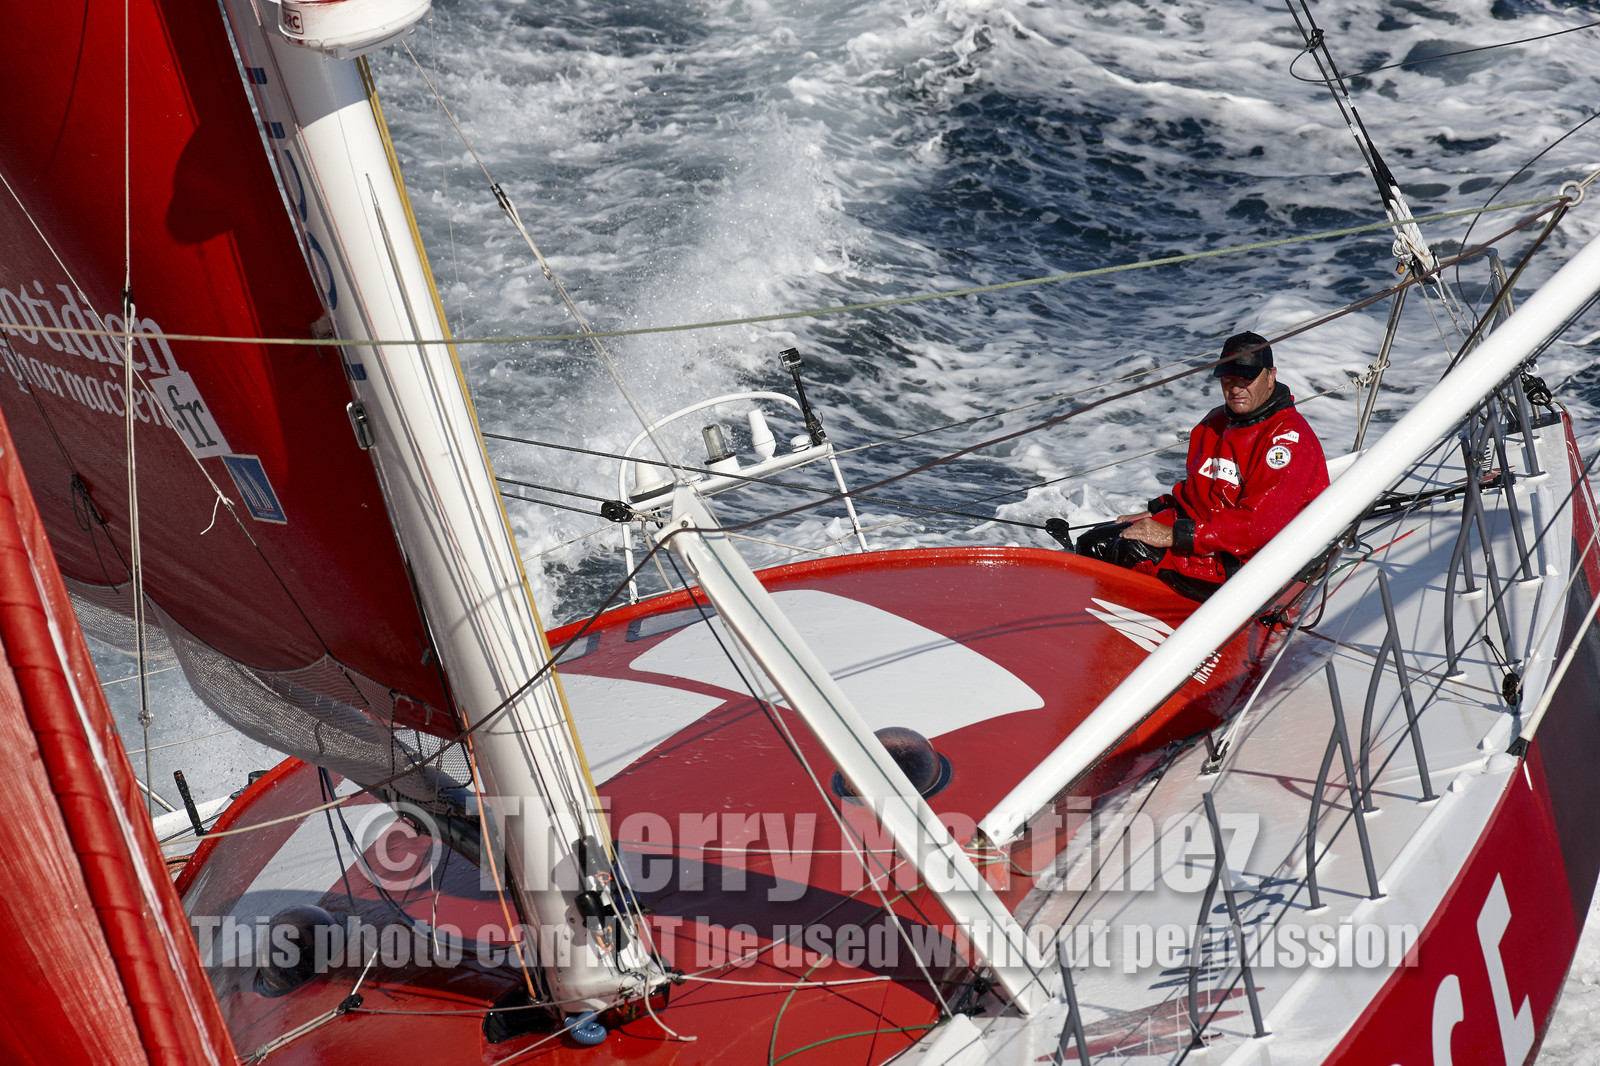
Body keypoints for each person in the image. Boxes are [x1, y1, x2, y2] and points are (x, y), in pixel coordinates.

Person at [1074, 331, 1329, 601]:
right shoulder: (1215, 422)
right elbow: (1200, 490)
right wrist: (1157, 511)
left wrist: (1174, 535)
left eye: (1246, 379)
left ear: (1270, 376)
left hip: (1250, 560)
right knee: (1093, 543)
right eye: (1228, 379)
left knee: (1132, 551)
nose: (1235, 389)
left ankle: (1139, 621)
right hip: (1205, 534)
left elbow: (1256, 527)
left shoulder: (1287, 441)